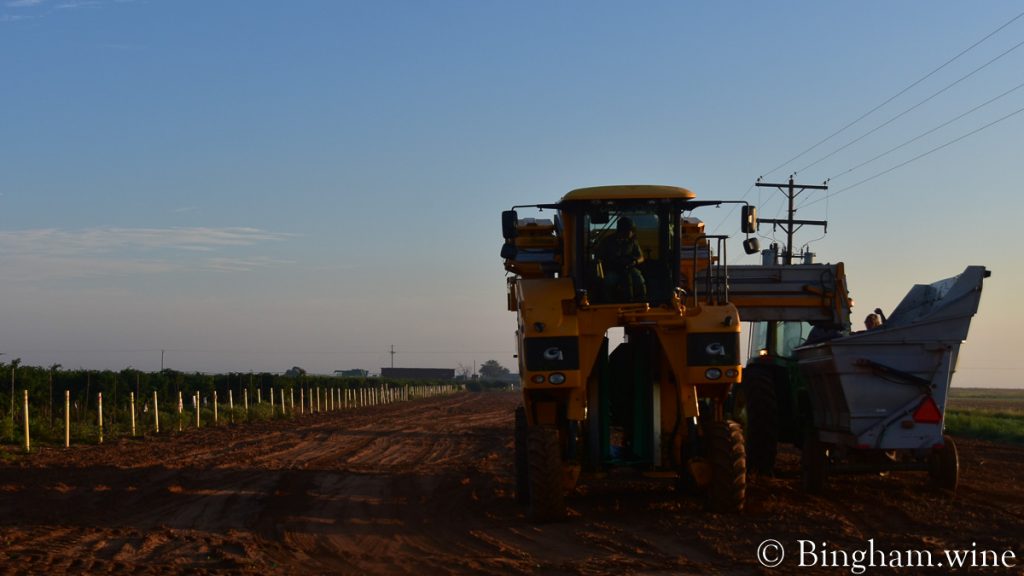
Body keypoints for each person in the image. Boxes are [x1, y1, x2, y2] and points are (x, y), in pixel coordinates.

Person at [598, 216, 646, 302]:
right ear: (621, 230)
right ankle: (608, 304)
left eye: (632, 230)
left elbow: (641, 257)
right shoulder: (607, 241)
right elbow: (600, 258)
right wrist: (612, 263)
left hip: (629, 268)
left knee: (639, 280)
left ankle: (641, 302)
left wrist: (635, 262)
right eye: (630, 230)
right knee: (608, 282)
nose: (632, 233)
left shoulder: (632, 241)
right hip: (613, 270)